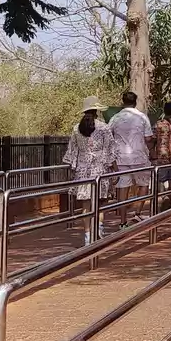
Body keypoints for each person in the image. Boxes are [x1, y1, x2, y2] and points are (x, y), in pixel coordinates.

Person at [63, 97, 118, 243]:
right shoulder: (103, 127)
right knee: (101, 200)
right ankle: (99, 227)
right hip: (100, 168)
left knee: (86, 204)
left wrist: (73, 166)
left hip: (82, 170)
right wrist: (114, 167)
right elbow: (110, 150)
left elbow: (72, 150)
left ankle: (87, 235)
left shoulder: (76, 128)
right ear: (97, 111)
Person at [108, 89, 154, 226]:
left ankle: (122, 221)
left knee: (123, 188)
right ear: (135, 102)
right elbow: (148, 138)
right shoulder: (142, 117)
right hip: (139, 157)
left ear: (123, 102)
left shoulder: (115, 118)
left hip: (120, 159)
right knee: (144, 184)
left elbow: (109, 137)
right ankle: (138, 213)